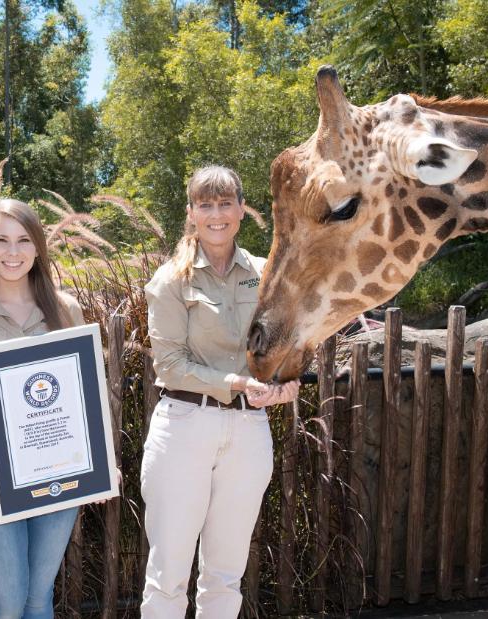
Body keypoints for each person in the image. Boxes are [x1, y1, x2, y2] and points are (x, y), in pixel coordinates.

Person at [140, 165, 300, 617]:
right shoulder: (172, 280)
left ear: (241, 210)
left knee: (226, 576)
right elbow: (168, 366)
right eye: (205, 204)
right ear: (191, 213)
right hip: (185, 429)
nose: (216, 214)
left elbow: (282, 349)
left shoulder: (267, 274)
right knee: (169, 574)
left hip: (249, 430)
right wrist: (232, 383)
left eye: (225, 202)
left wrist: (285, 386)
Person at [0, 199, 85, 619]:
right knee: (8, 602)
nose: (13, 252)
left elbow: (87, 393)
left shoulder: (65, 310)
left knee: (37, 597)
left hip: (57, 477)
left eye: (24, 240)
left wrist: (102, 462)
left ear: (38, 247)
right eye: (2, 240)